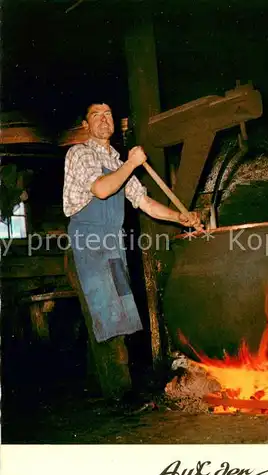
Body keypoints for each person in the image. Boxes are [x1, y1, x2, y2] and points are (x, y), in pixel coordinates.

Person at [63, 102, 202, 400]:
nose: (104, 120)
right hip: (89, 246)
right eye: (96, 116)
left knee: (119, 318)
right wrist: (131, 164)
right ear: (86, 125)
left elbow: (145, 203)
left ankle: (101, 392)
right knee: (107, 323)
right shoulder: (80, 153)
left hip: (112, 247)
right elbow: (101, 190)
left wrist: (180, 217)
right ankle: (120, 397)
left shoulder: (116, 159)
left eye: (108, 114)